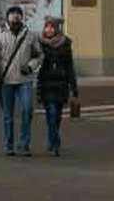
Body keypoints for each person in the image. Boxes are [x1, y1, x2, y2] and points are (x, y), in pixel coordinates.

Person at [0, 6, 42, 157]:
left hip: (24, 80)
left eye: (18, 15)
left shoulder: (30, 35)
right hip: (6, 81)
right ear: (7, 18)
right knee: (7, 114)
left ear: (21, 18)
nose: (15, 17)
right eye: (12, 15)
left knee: (27, 109)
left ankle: (24, 144)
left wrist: (30, 66)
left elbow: (39, 55)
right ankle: (8, 145)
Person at [35, 16, 78, 156]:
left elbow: (69, 66)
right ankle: (55, 143)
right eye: (47, 27)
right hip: (46, 82)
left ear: (57, 29)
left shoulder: (65, 43)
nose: (49, 30)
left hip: (61, 83)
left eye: (52, 27)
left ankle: (52, 139)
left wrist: (74, 87)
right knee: (51, 113)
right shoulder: (39, 42)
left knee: (57, 115)